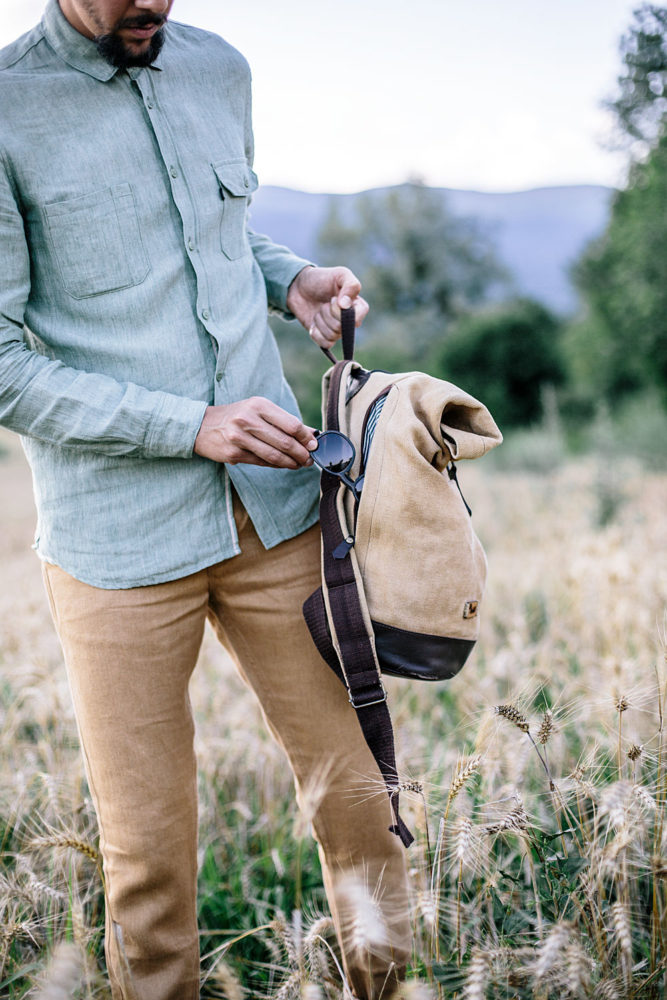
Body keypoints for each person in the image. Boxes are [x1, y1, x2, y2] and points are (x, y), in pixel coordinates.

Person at [0, 1, 412, 998]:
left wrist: (292, 278)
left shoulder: (218, 69)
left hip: (278, 507)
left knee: (363, 799)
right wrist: (184, 424)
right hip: (116, 546)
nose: (147, 6)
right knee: (147, 862)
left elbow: (209, 235)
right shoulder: (9, 110)